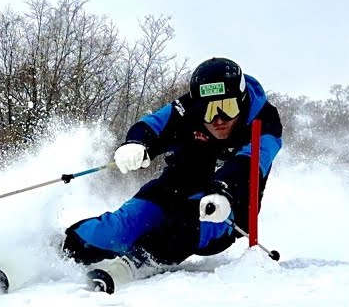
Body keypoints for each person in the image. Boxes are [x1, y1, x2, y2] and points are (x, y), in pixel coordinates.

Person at [62, 57, 283, 289]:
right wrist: (136, 143)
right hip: (174, 188)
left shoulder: (265, 121)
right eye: (209, 111)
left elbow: (250, 163)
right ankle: (59, 249)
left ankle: (128, 267)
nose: (218, 119)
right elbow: (153, 126)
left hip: (227, 209)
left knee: (185, 224)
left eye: (228, 108)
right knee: (118, 228)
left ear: (243, 100)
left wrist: (225, 189)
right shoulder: (187, 110)